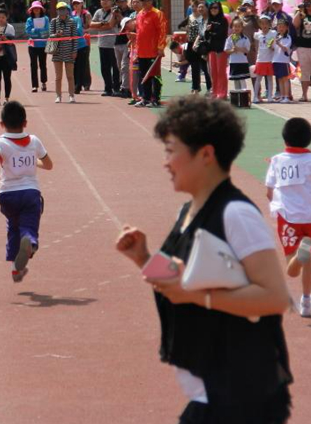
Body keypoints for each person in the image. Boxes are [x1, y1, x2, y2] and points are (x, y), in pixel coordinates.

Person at [115, 95, 292, 423]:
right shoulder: (189, 210)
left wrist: (199, 297)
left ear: (206, 154)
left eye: (171, 150)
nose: (166, 162)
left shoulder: (236, 214)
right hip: (213, 390)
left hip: (243, 397)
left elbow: (275, 297)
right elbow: (188, 278)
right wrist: (144, 258)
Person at [265, 117, 311, 318]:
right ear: (309, 139)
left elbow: (269, 190)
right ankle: (306, 301)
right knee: (309, 260)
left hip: (288, 217)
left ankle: (299, 257)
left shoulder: (277, 160)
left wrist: (273, 201)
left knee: (293, 270)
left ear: (285, 139)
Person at [0, 101, 53, 282]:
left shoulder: (0, 142)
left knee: (13, 228)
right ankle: (30, 242)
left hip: (7, 195)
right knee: (28, 226)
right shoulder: (34, 141)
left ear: (1, 124)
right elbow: (49, 165)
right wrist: (33, 161)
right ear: (25, 123)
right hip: (30, 193)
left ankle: (16, 269)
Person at [135, 0, 167, 108]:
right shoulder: (139, 14)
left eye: (146, 0)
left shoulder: (157, 13)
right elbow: (138, 32)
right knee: (144, 75)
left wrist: (160, 47)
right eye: (141, 0)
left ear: (151, 0)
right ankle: (146, 98)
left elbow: (162, 31)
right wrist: (136, 49)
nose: (143, 2)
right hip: (141, 51)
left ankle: (156, 98)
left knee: (155, 75)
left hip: (154, 51)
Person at [90, 0, 121, 96]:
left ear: (111, 1)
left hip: (113, 44)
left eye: (106, 0)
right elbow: (91, 24)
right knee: (104, 67)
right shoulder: (98, 12)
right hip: (102, 44)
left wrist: (100, 26)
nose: (104, 2)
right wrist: (103, 24)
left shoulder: (115, 11)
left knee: (115, 67)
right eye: (102, 0)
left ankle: (116, 88)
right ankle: (108, 88)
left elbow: (111, 25)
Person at [49, 2, 77, 104]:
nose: (62, 11)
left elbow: (75, 37)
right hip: (57, 51)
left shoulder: (72, 22)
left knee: (70, 76)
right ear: (57, 11)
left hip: (69, 51)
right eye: (60, 9)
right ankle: (58, 95)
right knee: (58, 76)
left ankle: (71, 95)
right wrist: (57, 35)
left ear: (67, 10)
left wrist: (74, 51)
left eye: (64, 9)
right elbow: (50, 35)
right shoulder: (54, 21)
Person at [204, 1, 230, 100]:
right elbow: (206, 36)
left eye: (216, 8)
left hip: (220, 49)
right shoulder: (209, 20)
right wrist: (208, 31)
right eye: (211, 8)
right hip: (211, 49)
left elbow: (221, 34)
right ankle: (215, 92)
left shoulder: (223, 20)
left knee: (221, 71)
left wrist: (211, 32)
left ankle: (222, 93)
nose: (213, 10)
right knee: (213, 72)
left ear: (219, 9)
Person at [185, 2, 212, 96]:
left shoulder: (209, 19)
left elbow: (206, 34)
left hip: (206, 47)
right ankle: (196, 88)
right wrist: (195, 43)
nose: (198, 8)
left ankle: (210, 88)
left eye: (201, 7)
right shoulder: (195, 19)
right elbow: (200, 34)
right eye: (197, 7)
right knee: (195, 67)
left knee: (206, 68)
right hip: (195, 45)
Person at [224, 18, 252, 99]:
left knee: (242, 79)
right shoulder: (230, 38)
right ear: (232, 27)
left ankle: (244, 97)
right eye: (235, 26)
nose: (236, 28)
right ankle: (237, 98)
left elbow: (247, 50)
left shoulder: (245, 38)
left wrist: (239, 49)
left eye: (239, 26)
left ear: (242, 28)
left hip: (242, 62)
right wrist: (232, 50)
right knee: (236, 80)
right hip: (233, 62)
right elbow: (226, 50)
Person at [25, 1, 49, 93]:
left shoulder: (46, 19)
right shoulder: (29, 20)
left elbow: (47, 30)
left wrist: (37, 31)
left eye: (38, 8)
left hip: (43, 44)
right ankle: (34, 85)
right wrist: (36, 31)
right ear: (32, 10)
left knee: (43, 64)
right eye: (34, 8)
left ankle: (44, 82)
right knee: (33, 65)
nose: (36, 9)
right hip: (32, 45)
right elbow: (28, 31)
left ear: (41, 9)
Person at [70, 0, 92, 93]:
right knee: (75, 63)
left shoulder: (86, 14)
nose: (76, 5)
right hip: (74, 41)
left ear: (82, 4)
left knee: (85, 62)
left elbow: (91, 26)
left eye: (78, 3)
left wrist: (82, 31)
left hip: (85, 40)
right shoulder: (72, 14)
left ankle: (86, 83)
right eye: (74, 3)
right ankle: (77, 83)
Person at [253, 15, 276, 103]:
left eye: (266, 23)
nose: (264, 25)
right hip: (260, 60)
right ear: (259, 25)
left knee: (270, 79)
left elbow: (274, 44)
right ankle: (255, 96)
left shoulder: (273, 33)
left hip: (269, 60)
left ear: (269, 24)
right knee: (258, 79)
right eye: (262, 24)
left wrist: (272, 47)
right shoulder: (257, 34)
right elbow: (256, 45)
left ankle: (270, 96)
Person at [273, 18, 294, 104]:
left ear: (286, 28)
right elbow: (272, 48)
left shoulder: (288, 37)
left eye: (283, 27)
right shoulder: (276, 36)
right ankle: (282, 96)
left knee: (285, 79)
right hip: (276, 60)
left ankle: (286, 96)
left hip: (284, 61)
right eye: (279, 26)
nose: (281, 28)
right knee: (279, 79)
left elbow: (285, 48)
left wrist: (278, 43)